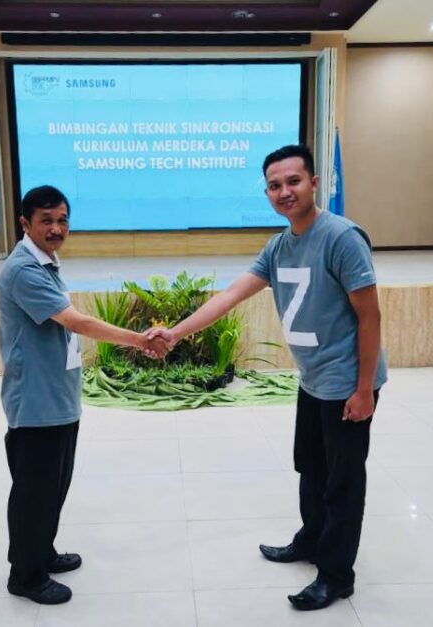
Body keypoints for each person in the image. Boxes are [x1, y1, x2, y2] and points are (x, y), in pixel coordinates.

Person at [147, 145, 387, 610]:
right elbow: (231, 295)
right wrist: (174, 333)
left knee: (342, 482)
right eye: (274, 186)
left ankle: (336, 575)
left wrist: (363, 390)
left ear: (314, 183)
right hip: (312, 379)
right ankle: (311, 541)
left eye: (293, 181)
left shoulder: (342, 238)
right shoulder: (279, 246)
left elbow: (370, 317)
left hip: (347, 383)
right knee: (311, 469)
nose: (284, 192)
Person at [0, 185, 167, 605]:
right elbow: (76, 322)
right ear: (25, 223)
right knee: (34, 491)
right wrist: (138, 340)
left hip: (58, 397)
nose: (56, 229)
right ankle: (25, 574)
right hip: (36, 402)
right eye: (46, 221)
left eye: (62, 220)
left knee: (54, 486)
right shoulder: (24, 270)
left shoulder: (45, 262)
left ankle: (42, 551)